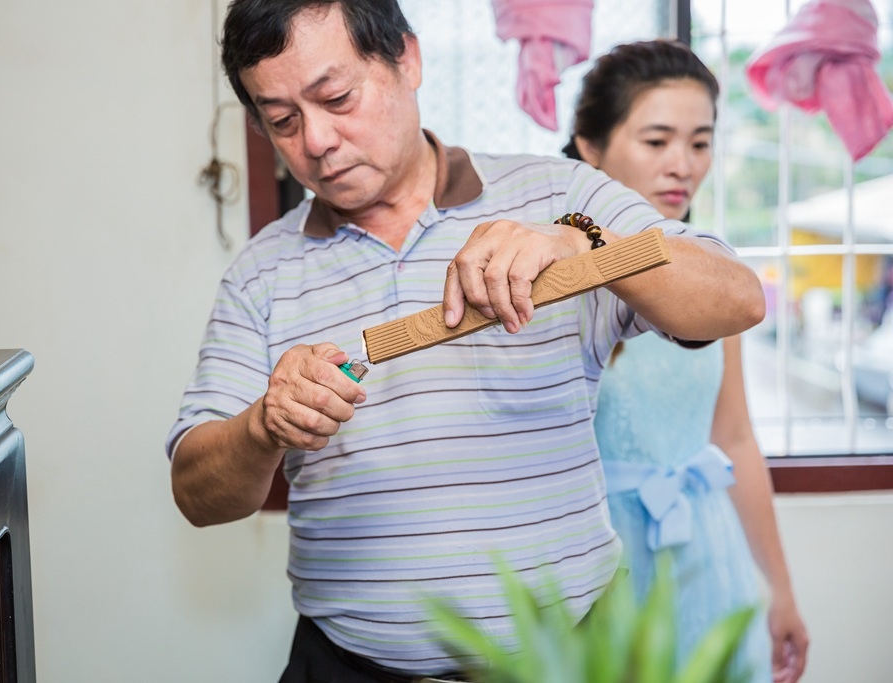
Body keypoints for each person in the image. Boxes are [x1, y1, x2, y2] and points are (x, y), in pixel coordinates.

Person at [167, 2, 764, 680]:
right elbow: (196, 492)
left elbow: (736, 296)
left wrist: (580, 244)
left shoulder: (555, 194)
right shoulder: (260, 271)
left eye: (337, 97)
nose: (318, 140)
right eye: (283, 120)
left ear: (408, 59)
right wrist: (261, 426)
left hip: (562, 660)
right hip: (345, 666)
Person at [563, 40, 809, 683]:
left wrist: (778, 588)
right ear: (589, 148)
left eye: (699, 143)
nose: (683, 165)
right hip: (596, 561)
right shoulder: (552, 275)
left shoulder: (712, 284)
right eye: (656, 141)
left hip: (705, 550)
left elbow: (735, 440)